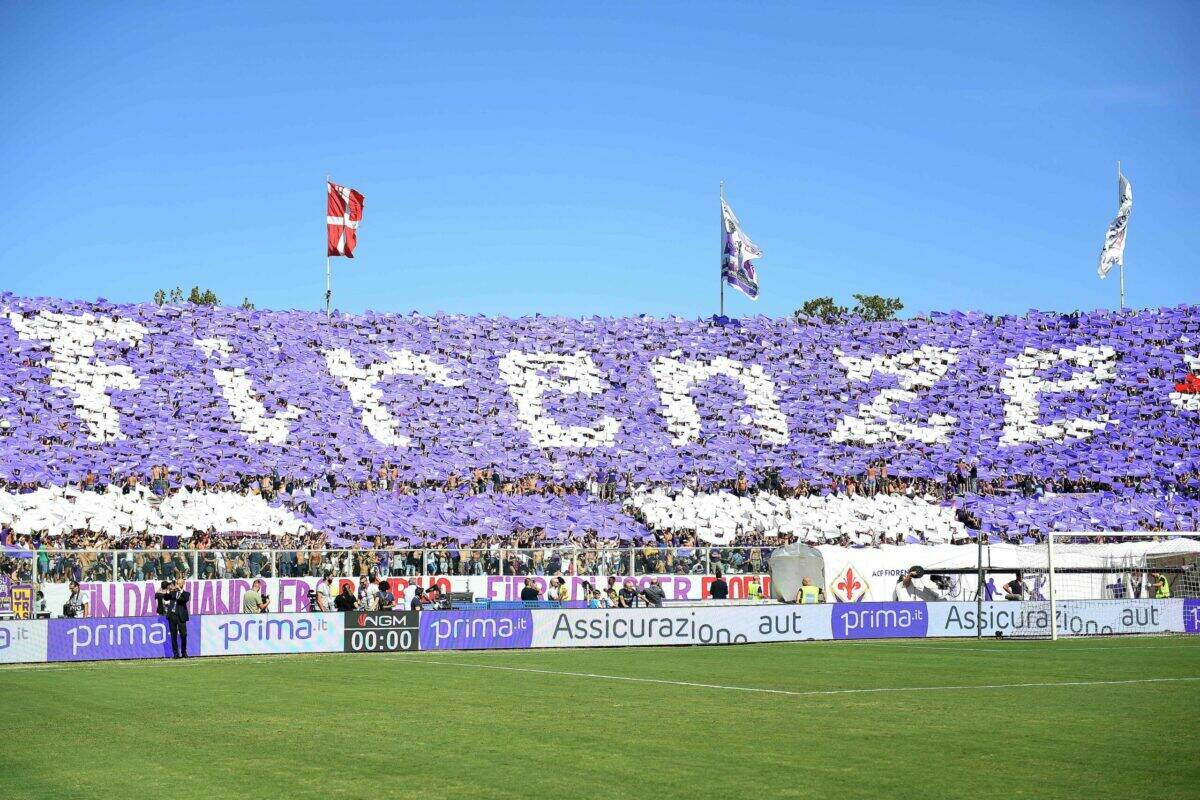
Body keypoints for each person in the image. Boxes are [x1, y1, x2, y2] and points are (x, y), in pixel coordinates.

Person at [165, 577, 191, 658]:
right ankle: (176, 654)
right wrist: (169, 590)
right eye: (177, 583)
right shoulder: (172, 593)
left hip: (181, 616)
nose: (178, 584)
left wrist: (180, 589)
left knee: (183, 635)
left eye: (180, 583)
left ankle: (184, 652)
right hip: (172, 615)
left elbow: (185, 599)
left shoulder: (186, 593)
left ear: (183, 584)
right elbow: (166, 597)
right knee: (173, 635)